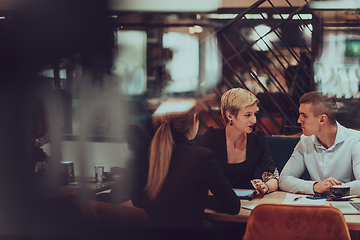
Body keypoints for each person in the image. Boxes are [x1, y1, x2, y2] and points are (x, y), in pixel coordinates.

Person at [143, 99, 240, 231]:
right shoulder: (202, 157)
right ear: (194, 120)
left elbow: (138, 199)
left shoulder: (148, 154)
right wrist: (203, 199)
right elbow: (233, 206)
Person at [279, 91, 360, 195]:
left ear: (322, 119)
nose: (299, 120)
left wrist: (332, 188)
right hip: (316, 205)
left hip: (345, 207)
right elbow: (284, 179)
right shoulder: (305, 141)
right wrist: (315, 186)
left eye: (304, 116)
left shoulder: (355, 140)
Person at [201, 87, 279, 194]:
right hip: (217, 201)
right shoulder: (212, 137)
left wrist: (266, 186)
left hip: (248, 202)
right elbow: (199, 174)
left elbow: (272, 176)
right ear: (230, 115)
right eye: (247, 115)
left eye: (255, 114)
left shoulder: (258, 139)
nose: (254, 120)